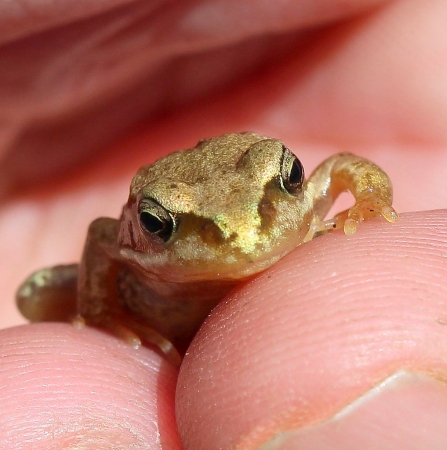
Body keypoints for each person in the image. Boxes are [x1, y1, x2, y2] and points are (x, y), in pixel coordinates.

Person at [1, 1, 447, 448]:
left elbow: (343, 165)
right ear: (147, 224)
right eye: (159, 221)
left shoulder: (294, 199)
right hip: (146, 310)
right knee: (36, 293)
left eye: (288, 178)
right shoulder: (132, 252)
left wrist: (373, 198)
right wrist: (101, 309)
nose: (240, 235)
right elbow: (103, 234)